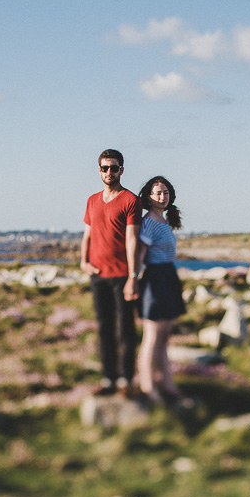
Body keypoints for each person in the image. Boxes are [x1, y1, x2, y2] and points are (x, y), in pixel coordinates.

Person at [81, 149, 142, 396]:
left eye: (113, 168)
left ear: (121, 170)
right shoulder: (92, 200)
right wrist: (83, 262)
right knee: (104, 328)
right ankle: (109, 378)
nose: (109, 172)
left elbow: (132, 241)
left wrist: (133, 277)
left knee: (126, 329)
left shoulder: (130, 200)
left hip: (122, 276)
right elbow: (87, 234)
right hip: (98, 275)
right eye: (105, 168)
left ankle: (126, 379)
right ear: (99, 170)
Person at [135, 175, 186, 404]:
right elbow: (140, 257)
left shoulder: (165, 222)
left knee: (164, 336)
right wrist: (133, 281)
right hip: (154, 279)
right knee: (152, 335)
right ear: (149, 197)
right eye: (157, 193)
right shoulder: (148, 223)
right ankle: (148, 386)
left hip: (168, 276)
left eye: (165, 192)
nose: (162, 196)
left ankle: (166, 383)